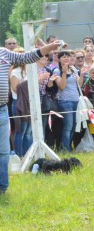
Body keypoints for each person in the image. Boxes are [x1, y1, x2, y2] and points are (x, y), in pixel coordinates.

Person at [1, 40, 61, 193]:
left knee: (3, 151)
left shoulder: (4, 53)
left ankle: (2, 188)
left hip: (2, 109)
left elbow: (26, 57)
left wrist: (48, 47)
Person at [49, 50, 83, 152]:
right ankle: (65, 149)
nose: (66, 58)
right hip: (65, 101)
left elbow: (79, 85)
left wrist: (82, 75)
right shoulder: (56, 71)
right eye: (63, 57)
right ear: (59, 59)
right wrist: (64, 73)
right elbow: (62, 86)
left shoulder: (73, 69)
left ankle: (68, 146)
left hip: (76, 100)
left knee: (73, 126)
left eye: (68, 56)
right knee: (68, 126)